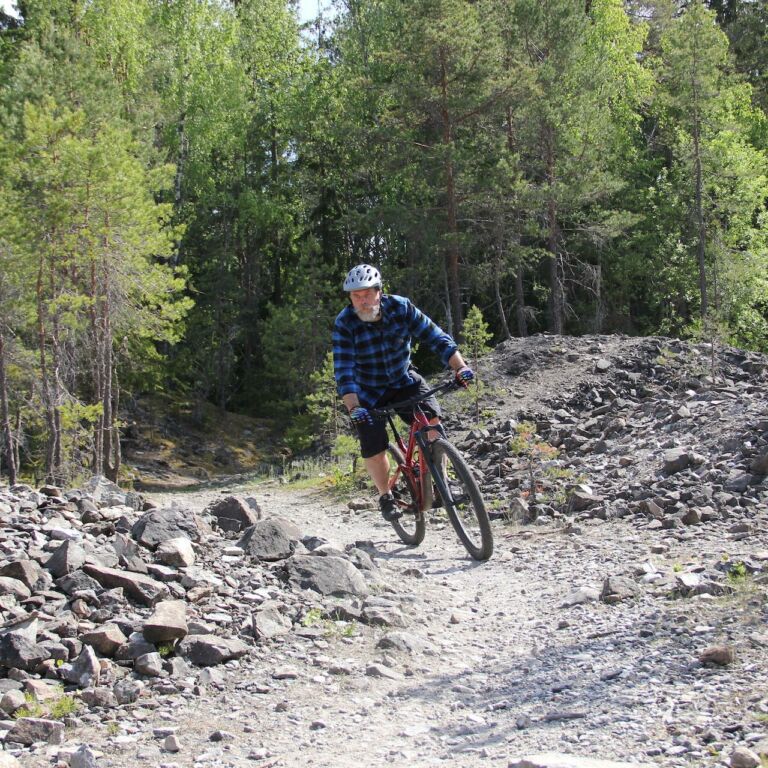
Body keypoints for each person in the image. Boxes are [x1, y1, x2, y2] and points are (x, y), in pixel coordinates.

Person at [332, 264, 474, 522]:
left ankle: (440, 482)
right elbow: (344, 371)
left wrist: (460, 368)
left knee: (432, 422)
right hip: (368, 392)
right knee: (373, 443)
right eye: (356, 296)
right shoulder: (345, 323)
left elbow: (436, 337)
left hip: (403, 379)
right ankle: (386, 495)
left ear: (379, 291)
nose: (362, 301)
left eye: (366, 294)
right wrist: (354, 407)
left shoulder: (401, 307)